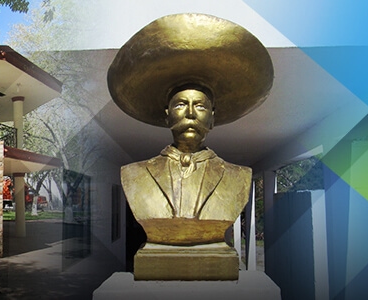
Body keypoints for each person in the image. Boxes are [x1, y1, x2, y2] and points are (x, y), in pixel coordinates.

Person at [107, 13, 274, 246]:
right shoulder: (134, 173)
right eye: (180, 104)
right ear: (167, 116)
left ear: (212, 118)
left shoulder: (239, 175)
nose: (191, 114)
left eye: (200, 106)